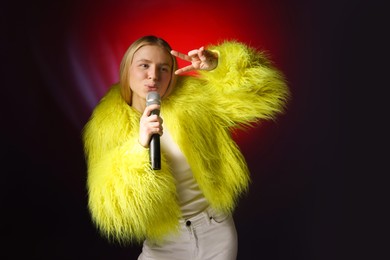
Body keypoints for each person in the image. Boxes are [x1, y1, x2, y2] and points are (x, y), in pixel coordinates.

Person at [82, 35, 289, 260]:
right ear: (126, 70)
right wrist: (139, 146)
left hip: (214, 232)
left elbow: (263, 93)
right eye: (144, 65)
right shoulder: (106, 125)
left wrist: (220, 65)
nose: (153, 75)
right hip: (163, 242)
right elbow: (110, 207)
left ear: (171, 74)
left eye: (163, 68)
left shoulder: (193, 98)